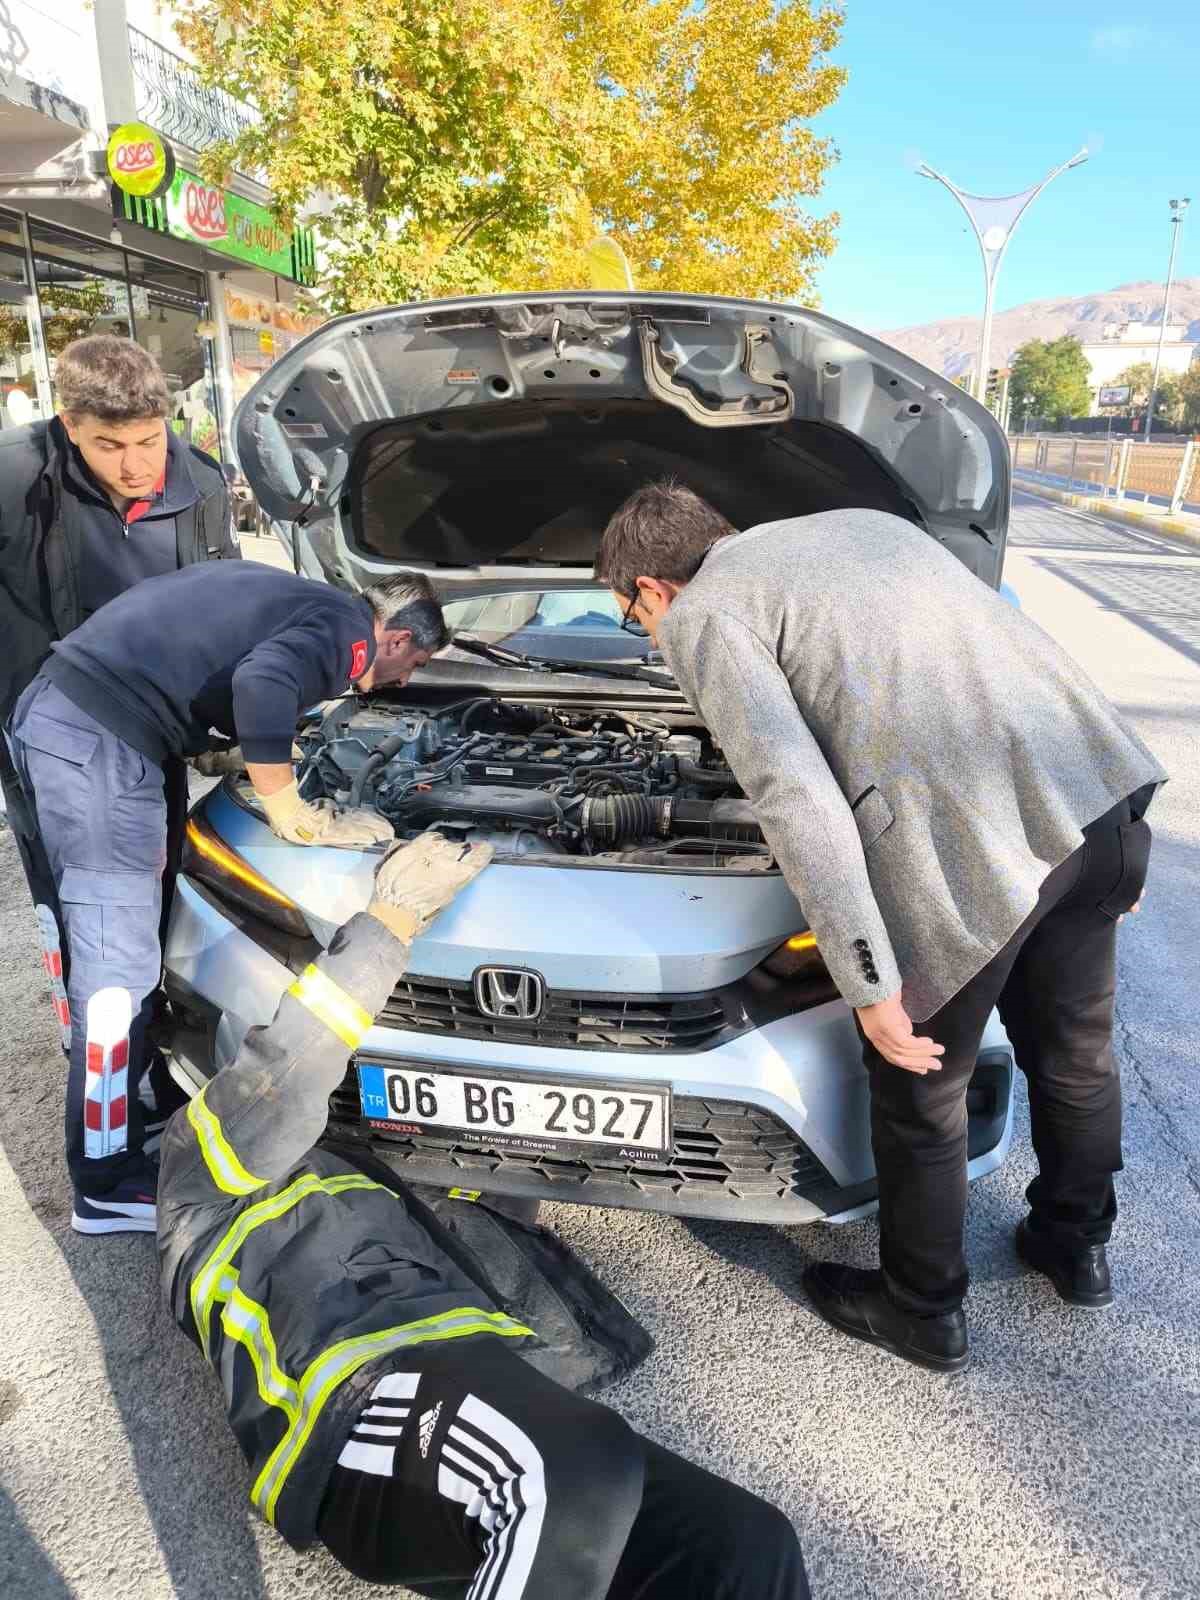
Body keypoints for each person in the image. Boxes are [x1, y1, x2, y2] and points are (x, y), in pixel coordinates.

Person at [596, 480, 1167, 1373]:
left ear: (653, 588)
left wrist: (869, 980)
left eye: (635, 619)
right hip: (1096, 806)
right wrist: (1127, 832)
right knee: (1078, 1053)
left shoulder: (709, 610)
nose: (652, 638)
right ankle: (1074, 1245)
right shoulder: (863, 526)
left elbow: (797, 798)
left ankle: (923, 1310)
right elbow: (1025, 650)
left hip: (979, 854)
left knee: (919, 1084)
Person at [155, 829, 810, 1599]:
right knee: (568, 1473)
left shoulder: (390, 1176)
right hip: (348, 1401)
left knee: (747, 1546)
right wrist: (386, 927)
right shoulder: (200, 1168)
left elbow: (501, 1203)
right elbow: (289, 1067)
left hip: (468, 1384)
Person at [8, 560, 443, 1234]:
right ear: (394, 639)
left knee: (133, 944)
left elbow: (221, 662)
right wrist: (287, 805)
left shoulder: (312, 604)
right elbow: (264, 680)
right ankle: (103, 1182)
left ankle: (133, 1109)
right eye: (414, 664)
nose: (407, 681)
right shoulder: (346, 629)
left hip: (99, 726)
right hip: (97, 740)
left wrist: (216, 746)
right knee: (115, 975)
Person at [0, 334, 237, 1083]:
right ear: (69, 426)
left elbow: (220, 604)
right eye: (110, 445)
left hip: (150, 732)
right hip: (49, 737)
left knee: (157, 878)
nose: (137, 465)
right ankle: (100, 1054)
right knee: (79, 903)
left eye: (148, 440)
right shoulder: (12, 475)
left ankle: (150, 1032)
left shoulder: (197, 482)